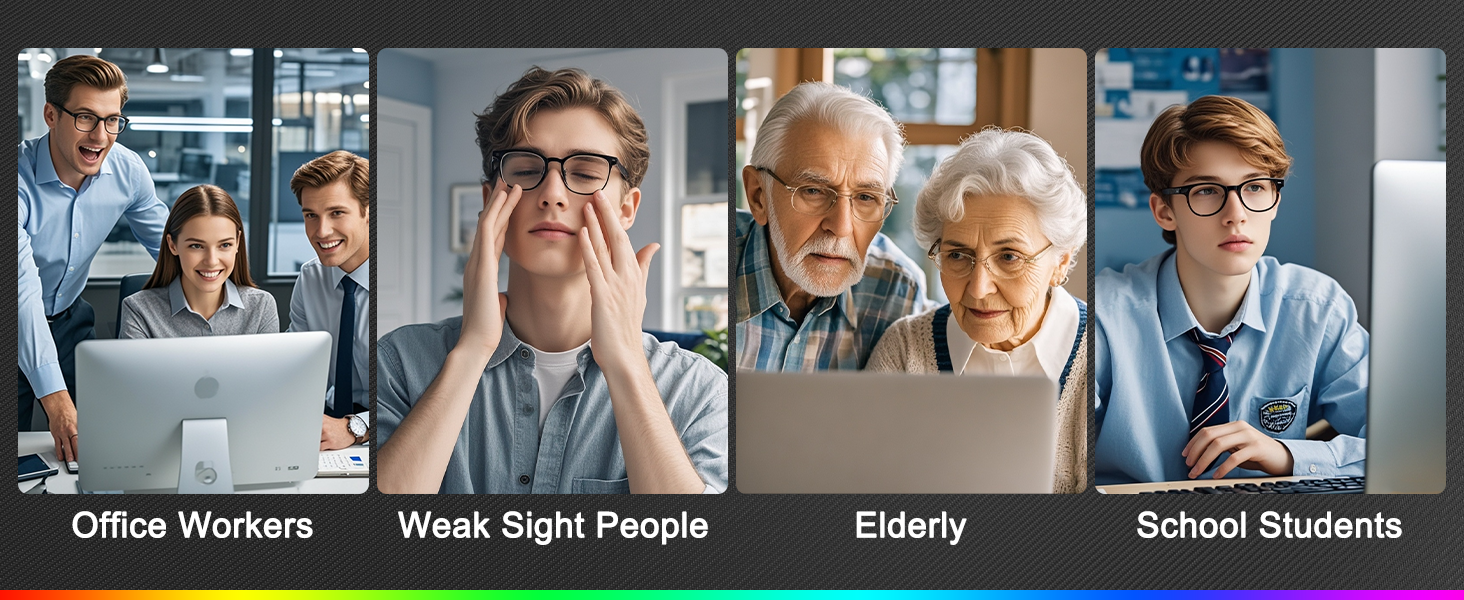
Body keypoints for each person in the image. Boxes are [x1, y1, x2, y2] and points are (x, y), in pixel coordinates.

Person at [376, 67, 727, 494]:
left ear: (626, 209)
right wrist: (471, 354)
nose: (552, 193)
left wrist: (627, 365)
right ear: (491, 202)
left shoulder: (699, 390)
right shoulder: (399, 364)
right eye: (526, 170)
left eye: (584, 172)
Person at [1094, 95, 1368, 485]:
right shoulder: (1101, 315)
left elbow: (1406, 445)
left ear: (1275, 201)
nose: (1236, 213)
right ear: (1164, 211)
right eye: (1206, 190)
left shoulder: (1317, 310)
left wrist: (1289, 454)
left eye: (1255, 187)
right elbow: (1051, 457)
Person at [867, 128, 1089, 493]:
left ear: (1060, 262)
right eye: (957, 255)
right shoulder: (905, 351)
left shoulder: (1106, 352)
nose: (978, 287)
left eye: (1009, 257)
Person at [18, 54, 168, 463]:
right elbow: (21, 292)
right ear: (51, 115)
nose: (101, 136)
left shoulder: (127, 171)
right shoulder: (17, 179)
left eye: (112, 119)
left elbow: (174, 248)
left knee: (97, 449)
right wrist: (55, 398)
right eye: (85, 117)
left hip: (69, 320)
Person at [736, 82, 933, 371]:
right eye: (813, 191)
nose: (841, 227)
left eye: (866, 197)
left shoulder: (897, 290)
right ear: (758, 196)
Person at [286, 151, 371, 451]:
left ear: (367, 211)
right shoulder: (311, 278)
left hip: (388, 429)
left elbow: (419, 394)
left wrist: (355, 427)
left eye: (337, 213)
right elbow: (297, 368)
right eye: (311, 215)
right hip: (329, 425)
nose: (321, 232)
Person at [119, 185, 277, 338]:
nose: (211, 261)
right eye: (196, 246)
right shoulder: (138, 310)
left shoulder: (261, 306)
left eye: (225, 245)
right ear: (172, 245)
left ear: (237, 242)